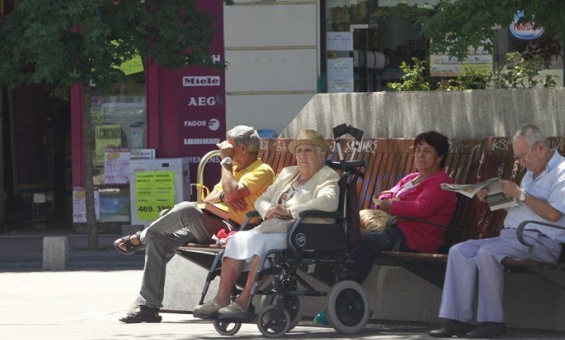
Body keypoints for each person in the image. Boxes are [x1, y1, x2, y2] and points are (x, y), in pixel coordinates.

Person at [115, 125, 275, 323]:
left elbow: (230, 194)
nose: (222, 147)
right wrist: (227, 194)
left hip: (234, 228)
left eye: (228, 144)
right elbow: (214, 197)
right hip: (211, 221)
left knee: (186, 209)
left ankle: (140, 238)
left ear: (243, 149)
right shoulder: (234, 169)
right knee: (158, 241)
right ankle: (149, 306)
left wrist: (226, 170)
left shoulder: (262, 170)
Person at [429, 124, 565, 338]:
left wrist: (520, 195)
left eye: (522, 156)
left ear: (540, 148)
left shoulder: (561, 173)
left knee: (488, 253)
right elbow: (521, 207)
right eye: (518, 157)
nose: (521, 162)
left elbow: (554, 215)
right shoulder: (531, 173)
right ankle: (457, 320)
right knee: (459, 251)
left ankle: (492, 322)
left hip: (541, 242)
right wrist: (492, 197)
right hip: (512, 237)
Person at [193, 129, 340, 319]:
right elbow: (262, 199)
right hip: (274, 226)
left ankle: (243, 301)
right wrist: (269, 209)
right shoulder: (289, 173)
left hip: (304, 231)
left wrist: (289, 211)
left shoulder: (327, 175)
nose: (302, 155)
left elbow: (328, 202)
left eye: (308, 150)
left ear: (321, 155)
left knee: (263, 245)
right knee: (237, 239)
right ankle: (221, 299)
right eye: (299, 151)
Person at [314, 130, 457, 326]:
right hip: (396, 229)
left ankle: (342, 302)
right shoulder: (411, 178)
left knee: (369, 241)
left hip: (418, 237)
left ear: (439, 157)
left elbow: (421, 208)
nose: (420, 155)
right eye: (417, 150)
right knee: (347, 234)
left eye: (427, 151)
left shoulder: (442, 182)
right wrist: (387, 201)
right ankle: (346, 296)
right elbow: (385, 195)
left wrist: (393, 205)